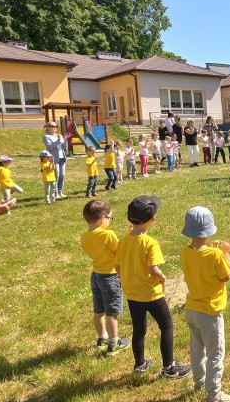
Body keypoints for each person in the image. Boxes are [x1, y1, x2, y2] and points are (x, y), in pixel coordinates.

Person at [115, 195, 192, 378]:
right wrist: (163, 278)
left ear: (128, 217)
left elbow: (118, 267)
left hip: (132, 294)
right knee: (166, 326)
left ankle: (140, 364)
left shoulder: (123, 241)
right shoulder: (150, 243)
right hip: (151, 294)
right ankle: (169, 368)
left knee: (139, 330)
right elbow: (153, 270)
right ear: (152, 220)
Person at [179, 206, 230, 402]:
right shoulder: (215, 255)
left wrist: (216, 251)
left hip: (192, 309)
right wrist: (226, 253)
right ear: (208, 230)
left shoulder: (185, 252)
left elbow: (200, 261)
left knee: (197, 349)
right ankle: (214, 396)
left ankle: (199, 383)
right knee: (215, 354)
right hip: (210, 312)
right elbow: (226, 275)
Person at [81, 200, 130, 356]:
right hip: (110, 277)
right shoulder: (108, 234)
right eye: (110, 217)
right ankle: (114, 342)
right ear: (102, 219)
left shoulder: (84, 237)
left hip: (96, 276)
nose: (110, 221)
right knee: (111, 311)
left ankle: (102, 338)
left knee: (99, 309)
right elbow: (120, 250)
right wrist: (128, 237)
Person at [42, 121, 70, 199]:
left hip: (62, 158)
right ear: (47, 127)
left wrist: (65, 139)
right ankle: (55, 193)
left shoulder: (59, 135)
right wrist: (58, 140)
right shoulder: (46, 136)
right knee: (56, 176)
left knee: (62, 176)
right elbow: (50, 147)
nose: (55, 128)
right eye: (52, 126)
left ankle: (60, 192)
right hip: (54, 159)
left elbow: (64, 147)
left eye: (56, 126)